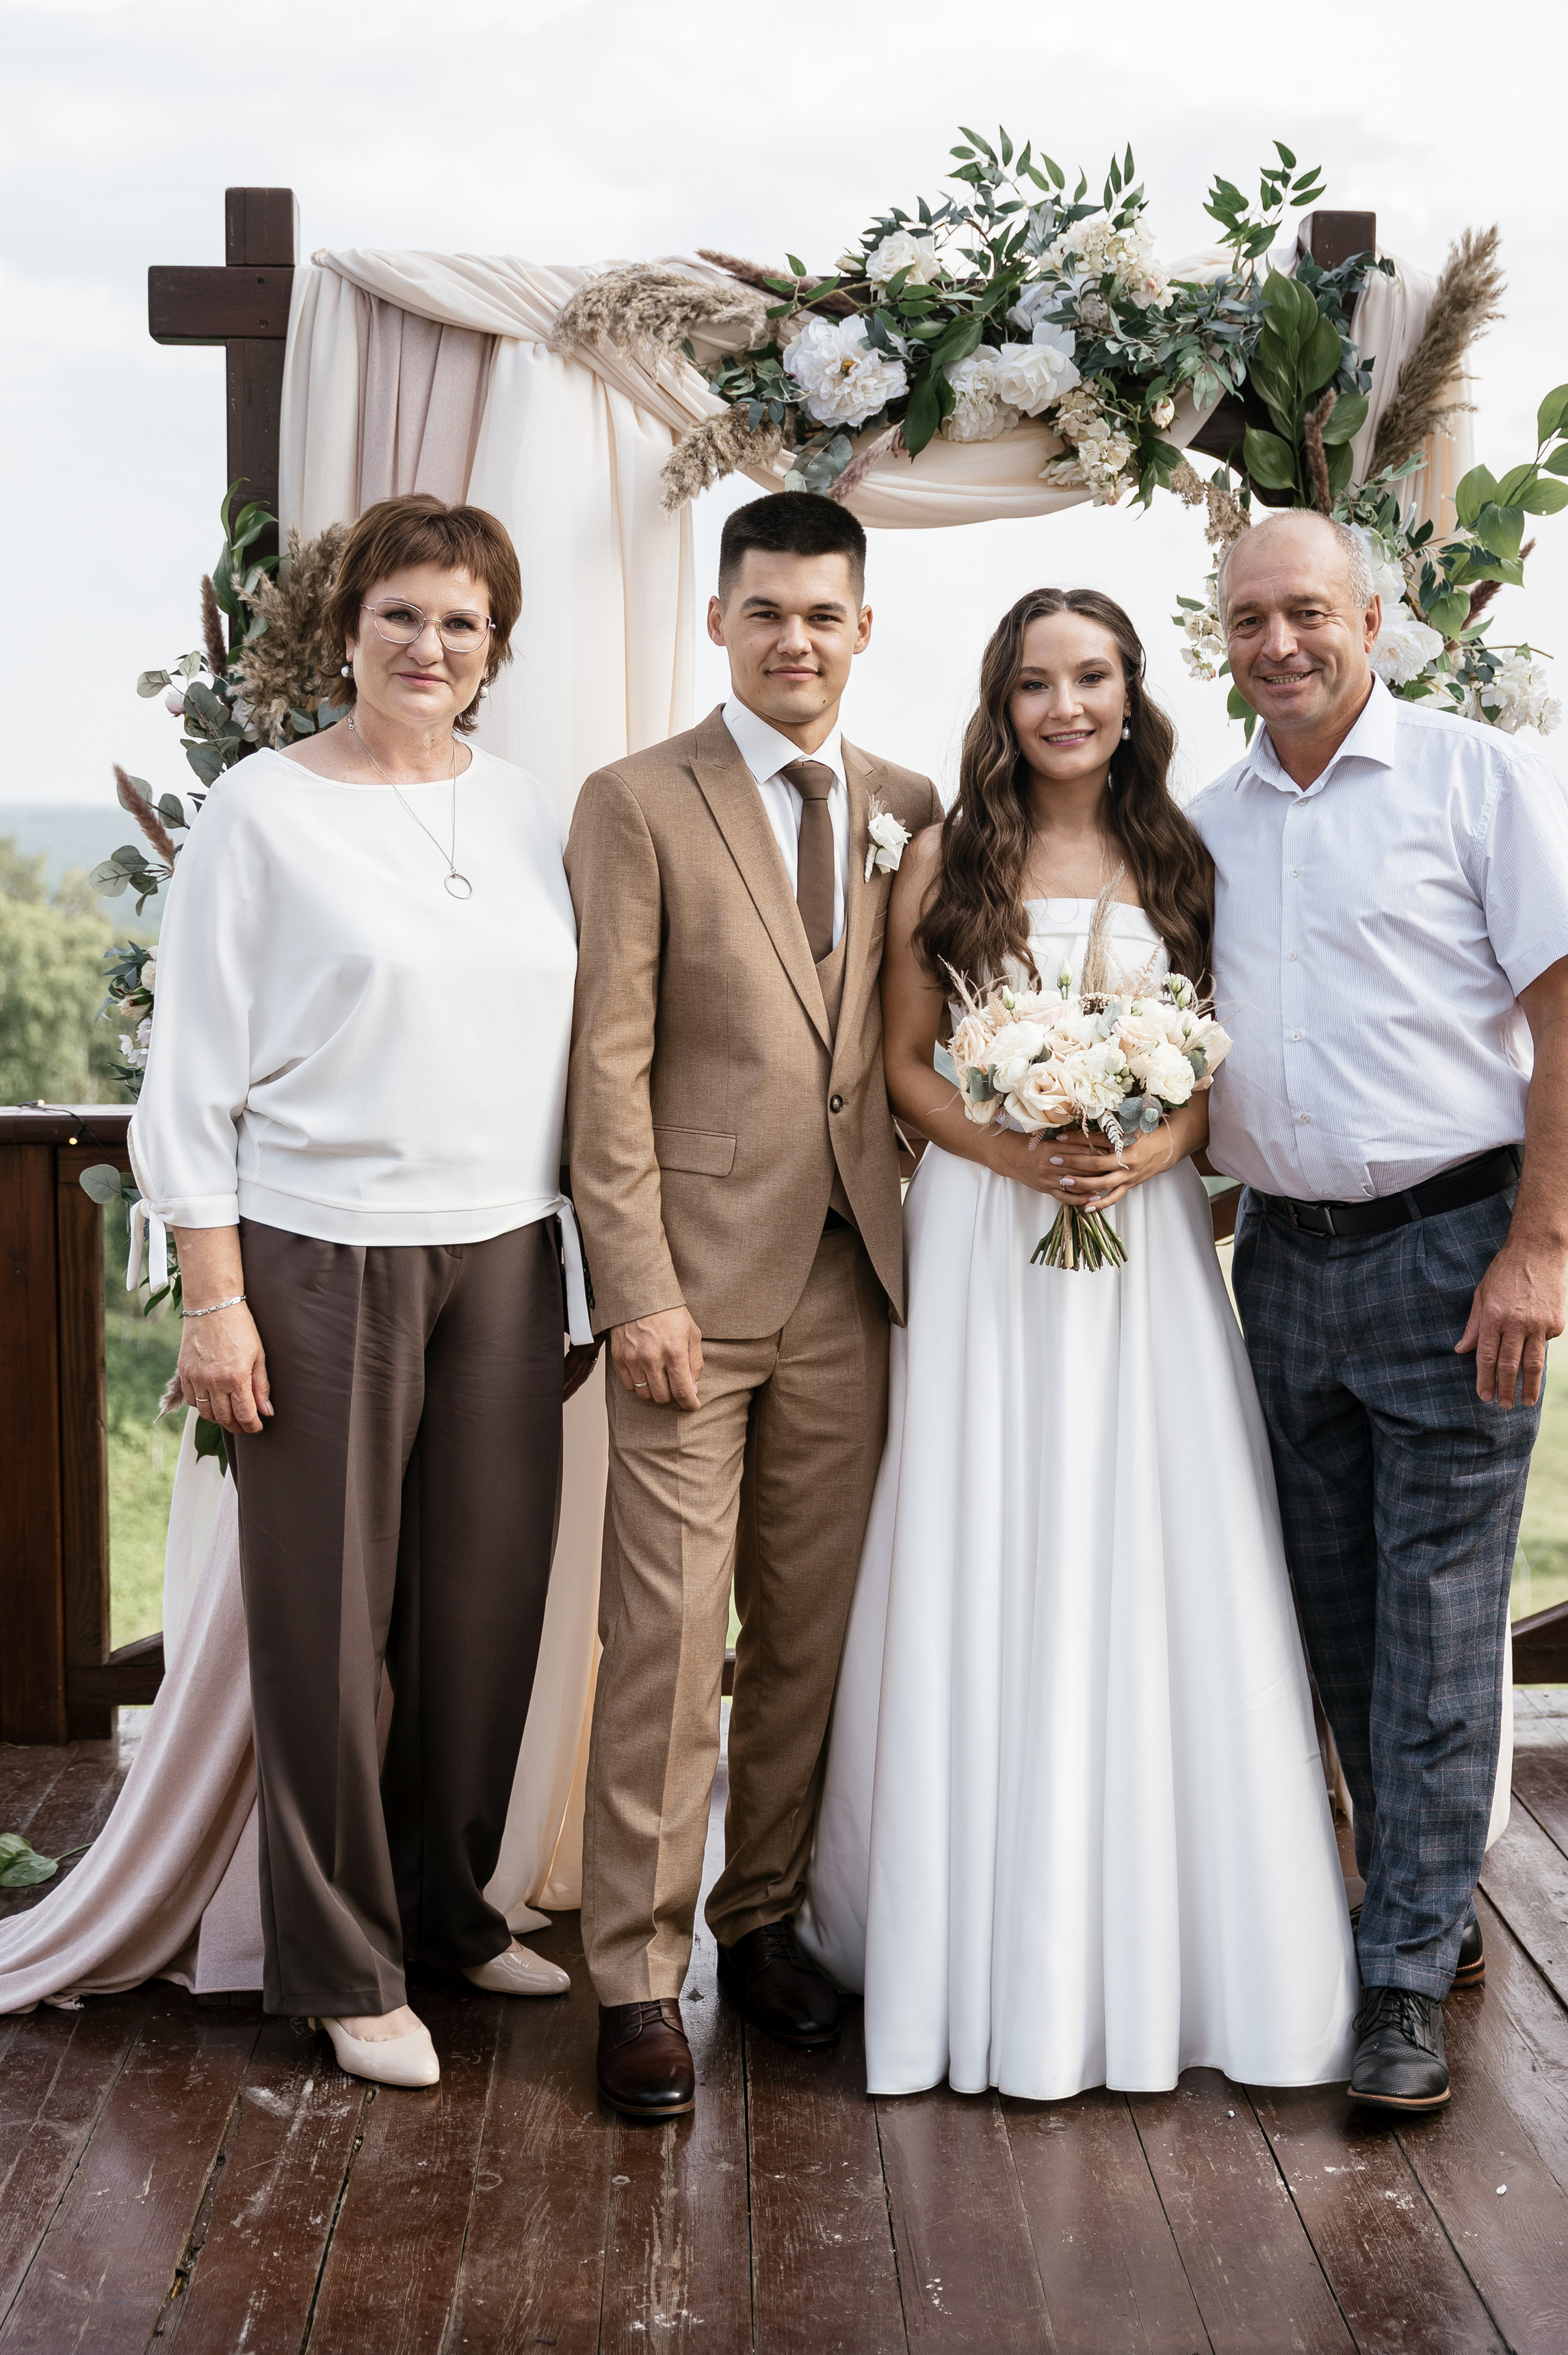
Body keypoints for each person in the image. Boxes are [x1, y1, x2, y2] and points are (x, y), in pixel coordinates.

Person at [799, 586, 1360, 2104]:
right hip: (990, 1240)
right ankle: (963, 1935)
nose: (1066, 708)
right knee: (990, 1530)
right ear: (1002, 701)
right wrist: (1016, 1147)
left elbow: (1217, 1071)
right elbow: (904, 1068)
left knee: (1156, 1539)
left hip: (1144, 1247)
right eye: (1036, 683)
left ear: (1130, 692)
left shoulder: (1184, 851)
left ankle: (1184, 1941)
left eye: (1092, 678)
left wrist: (1147, 1142)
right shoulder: (944, 856)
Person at [128, 493, 596, 2091]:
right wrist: (215, 1298)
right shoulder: (260, 812)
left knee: (482, 1610)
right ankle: (339, 1966)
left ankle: (449, 1911)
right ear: (347, 629)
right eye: (401, 613)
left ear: (495, 649)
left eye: (461, 622)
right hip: (316, 1248)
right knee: (325, 1630)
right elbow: (190, 1069)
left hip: (508, 1252)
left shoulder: (523, 809)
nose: (428, 645)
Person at [1189, 509, 1568, 2116]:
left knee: (1434, 1629)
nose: (1278, 643)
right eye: (1248, 620)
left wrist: (1536, 1251)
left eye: (1305, 611)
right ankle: (1424, 1902)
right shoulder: (1205, 820)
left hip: (1451, 1259)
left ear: (1371, 618)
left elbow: (1567, 1023)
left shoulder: (1474, 778)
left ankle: (1400, 1985)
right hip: (1277, 1265)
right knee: (1332, 1620)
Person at [564, 490, 942, 2119]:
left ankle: (764, 1919)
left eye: (823, 615)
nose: (797, 640)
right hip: (690, 1299)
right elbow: (606, 1067)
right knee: (664, 1637)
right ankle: (636, 1978)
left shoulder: (908, 803)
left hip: (854, 1281)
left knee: (810, 1632)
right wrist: (634, 1285)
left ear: (863, 631)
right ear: (719, 622)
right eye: (766, 611)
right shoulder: (635, 801)